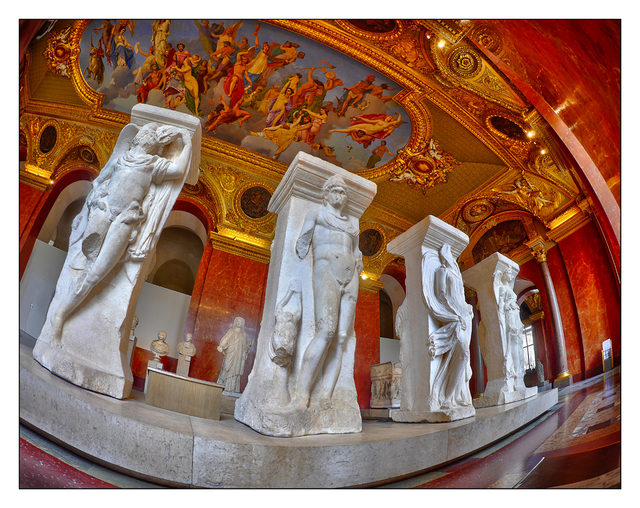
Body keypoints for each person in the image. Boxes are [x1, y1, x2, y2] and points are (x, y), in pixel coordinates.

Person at [46, 122, 193, 344]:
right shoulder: (119, 159)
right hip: (103, 213)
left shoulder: (153, 164)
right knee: (85, 265)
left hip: (125, 220)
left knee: (96, 274)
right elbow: (97, 183)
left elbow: (179, 170)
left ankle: (61, 316)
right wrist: (94, 205)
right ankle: (60, 316)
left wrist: (188, 142)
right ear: (137, 138)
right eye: (148, 133)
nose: (151, 136)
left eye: (153, 135)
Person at [292, 175, 363, 409]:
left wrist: (358, 262)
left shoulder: (353, 225)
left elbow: (356, 251)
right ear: (326, 194)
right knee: (326, 330)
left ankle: (325, 396)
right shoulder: (317, 214)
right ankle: (301, 393)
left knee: (341, 338)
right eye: (334, 191)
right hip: (326, 270)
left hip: (351, 277)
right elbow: (302, 244)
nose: (339, 196)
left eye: (343, 192)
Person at [217, 317, 253, 393]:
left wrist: (248, 346)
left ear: (243, 324)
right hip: (230, 353)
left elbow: (245, 347)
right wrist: (221, 346)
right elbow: (224, 340)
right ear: (235, 322)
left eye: (241, 322)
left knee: (235, 371)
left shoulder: (244, 335)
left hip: (238, 356)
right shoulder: (231, 331)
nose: (239, 323)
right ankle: (221, 385)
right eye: (238, 321)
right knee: (226, 368)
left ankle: (232, 388)